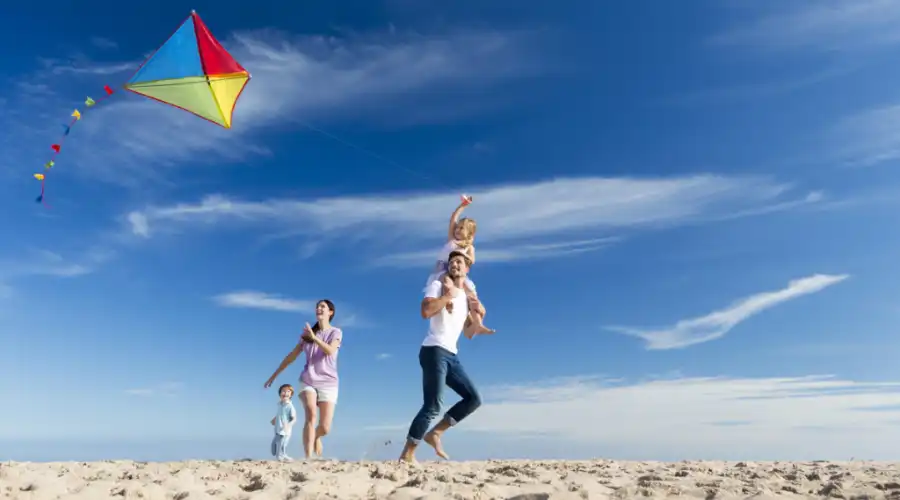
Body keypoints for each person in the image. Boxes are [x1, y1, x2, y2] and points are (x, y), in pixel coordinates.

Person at [400, 249, 487, 464]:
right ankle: (407, 454)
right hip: (434, 350)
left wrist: (478, 319)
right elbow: (425, 310)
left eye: (460, 261)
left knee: (473, 399)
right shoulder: (439, 285)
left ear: (467, 268)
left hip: (451, 354)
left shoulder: (466, 299)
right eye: (452, 262)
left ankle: (435, 433)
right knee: (433, 405)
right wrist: (448, 296)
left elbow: (467, 334)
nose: (455, 264)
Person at [264, 299, 343, 459]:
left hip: (329, 383)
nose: (319, 309)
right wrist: (274, 375)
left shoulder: (336, 332)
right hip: (308, 380)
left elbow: (330, 350)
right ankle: (308, 459)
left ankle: (316, 437)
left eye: (323, 307)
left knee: (325, 427)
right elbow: (291, 357)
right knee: (311, 415)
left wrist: (315, 338)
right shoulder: (306, 336)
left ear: (330, 312)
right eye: (317, 307)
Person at [425, 195, 494, 338]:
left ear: (469, 233)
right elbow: (453, 219)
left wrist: (462, 257)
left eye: (461, 229)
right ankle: (448, 302)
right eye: (457, 228)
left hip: (458, 271)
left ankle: (478, 323)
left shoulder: (469, 247)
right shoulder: (451, 240)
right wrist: (463, 206)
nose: (457, 230)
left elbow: (472, 261)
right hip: (444, 269)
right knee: (446, 282)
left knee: (472, 295)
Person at [270, 383, 297, 462]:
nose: (285, 393)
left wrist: (288, 425)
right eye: (283, 391)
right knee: (273, 446)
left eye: (288, 391)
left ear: (291, 395)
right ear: (280, 394)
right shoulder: (280, 404)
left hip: (284, 431)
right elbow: (279, 414)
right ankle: (283, 455)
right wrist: (274, 419)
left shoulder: (290, 406)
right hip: (278, 428)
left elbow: (294, 419)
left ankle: (282, 457)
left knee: (281, 446)